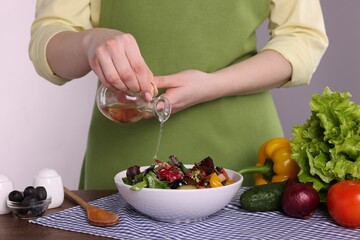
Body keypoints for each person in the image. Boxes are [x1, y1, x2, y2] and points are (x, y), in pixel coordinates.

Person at [29, 0, 328, 189]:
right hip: (123, 151)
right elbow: (48, 46)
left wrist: (213, 84)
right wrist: (89, 42)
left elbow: (302, 38)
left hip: (244, 158)